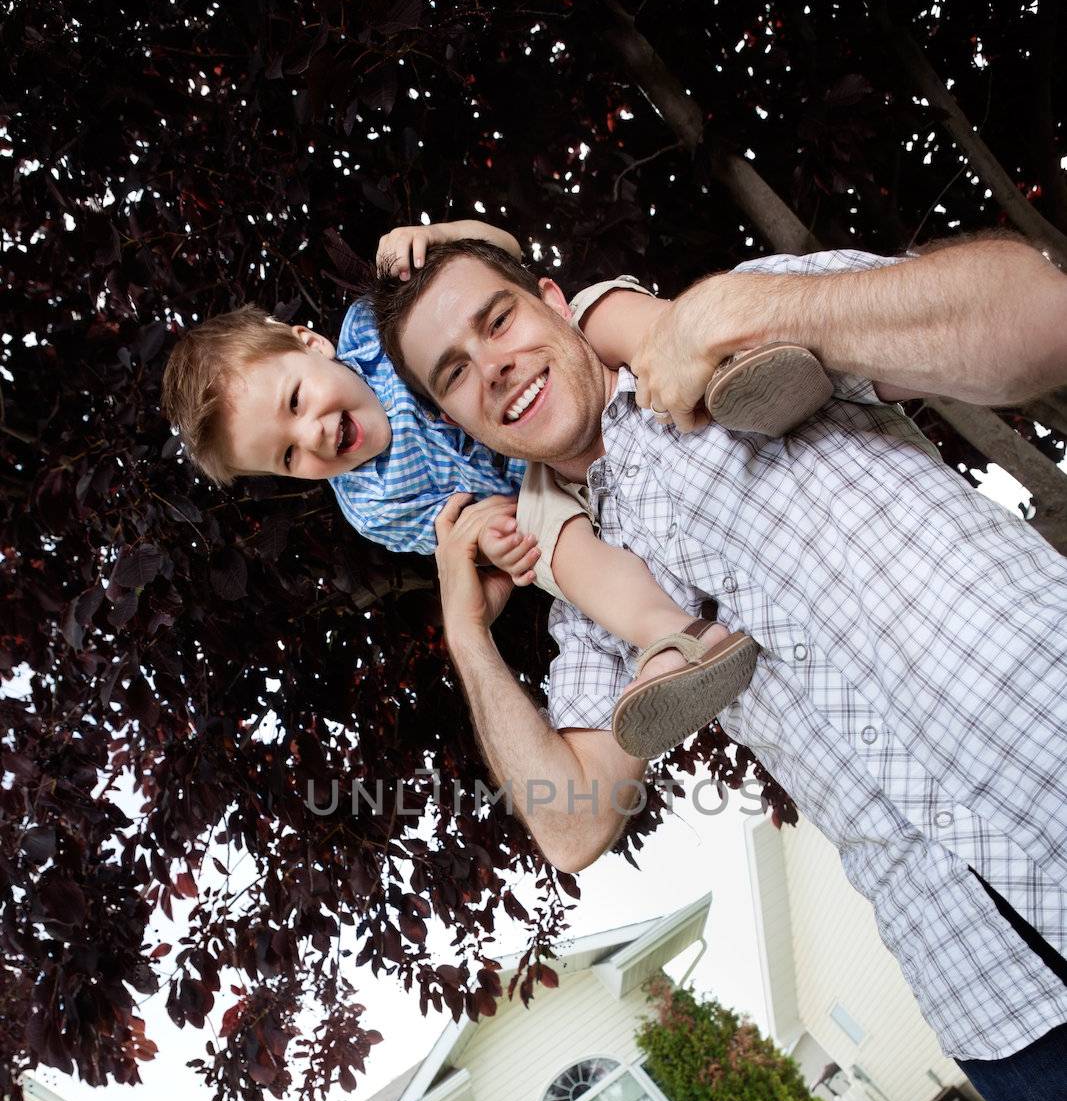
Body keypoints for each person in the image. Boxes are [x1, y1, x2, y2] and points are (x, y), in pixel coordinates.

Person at [371, 231, 1067, 1101]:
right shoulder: (583, 587)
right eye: (454, 374)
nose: (493, 369)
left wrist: (743, 316)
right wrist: (464, 631)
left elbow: (1039, 319)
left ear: (550, 298)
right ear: (454, 419)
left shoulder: (744, 318)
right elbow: (568, 824)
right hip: (983, 980)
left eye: (498, 322)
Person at [159, 221, 830, 758]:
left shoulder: (373, 327)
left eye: (297, 400)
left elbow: (498, 259)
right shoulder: (371, 505)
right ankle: (673, 639)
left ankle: (732, 371)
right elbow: (469, 529)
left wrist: (439, 233)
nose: (311, 436)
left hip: (563, 376)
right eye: (285, 456)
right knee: (549, 540)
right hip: (539, 473)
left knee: (597, 312)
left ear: (311, 343)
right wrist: (490, 541)